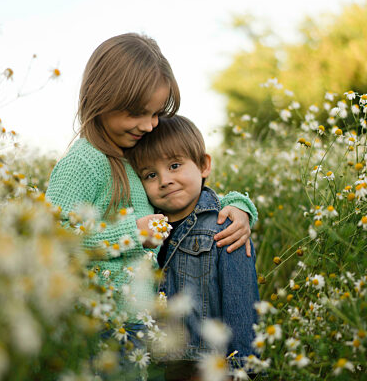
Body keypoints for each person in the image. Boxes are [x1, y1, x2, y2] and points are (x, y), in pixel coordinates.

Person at [45, 33, 257, 349]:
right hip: (98, 330)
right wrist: (132, 234)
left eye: (156, 113)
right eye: (137, 113)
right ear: (99, 98)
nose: (149, 126)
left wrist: (238, 206)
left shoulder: (129, 153)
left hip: (137, 332)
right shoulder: (85, 161)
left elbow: (185, 200)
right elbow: (50, 239)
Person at [126, 114, 259, 381]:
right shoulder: (149, 229)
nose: (165, 181)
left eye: (174, 166)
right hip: (159, 376)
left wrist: (240, 371)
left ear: (203, 165)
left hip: (212, 374)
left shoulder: (224, 224)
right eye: (150, 175)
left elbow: (241, 300)